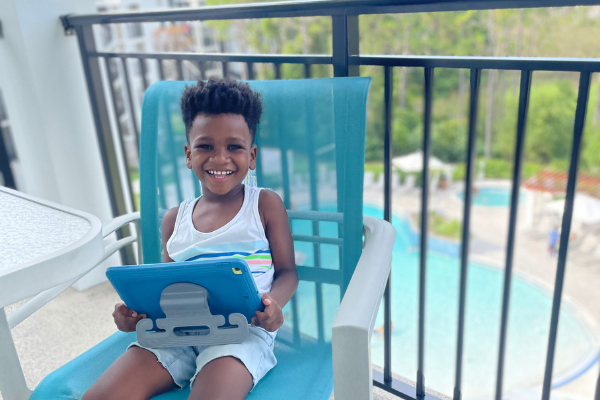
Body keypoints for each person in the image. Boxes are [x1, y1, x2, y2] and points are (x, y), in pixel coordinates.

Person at [84, 79, 298, 400]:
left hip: (242, 333)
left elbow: (288, 272)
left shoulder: (264, 204)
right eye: (206, 146)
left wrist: (275, 304)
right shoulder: (174, 219)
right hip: (177, 332)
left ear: (252, 156)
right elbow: (165, 288)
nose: (220, 158)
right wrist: (135, 314)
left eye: (234, 147)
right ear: (188, 154)